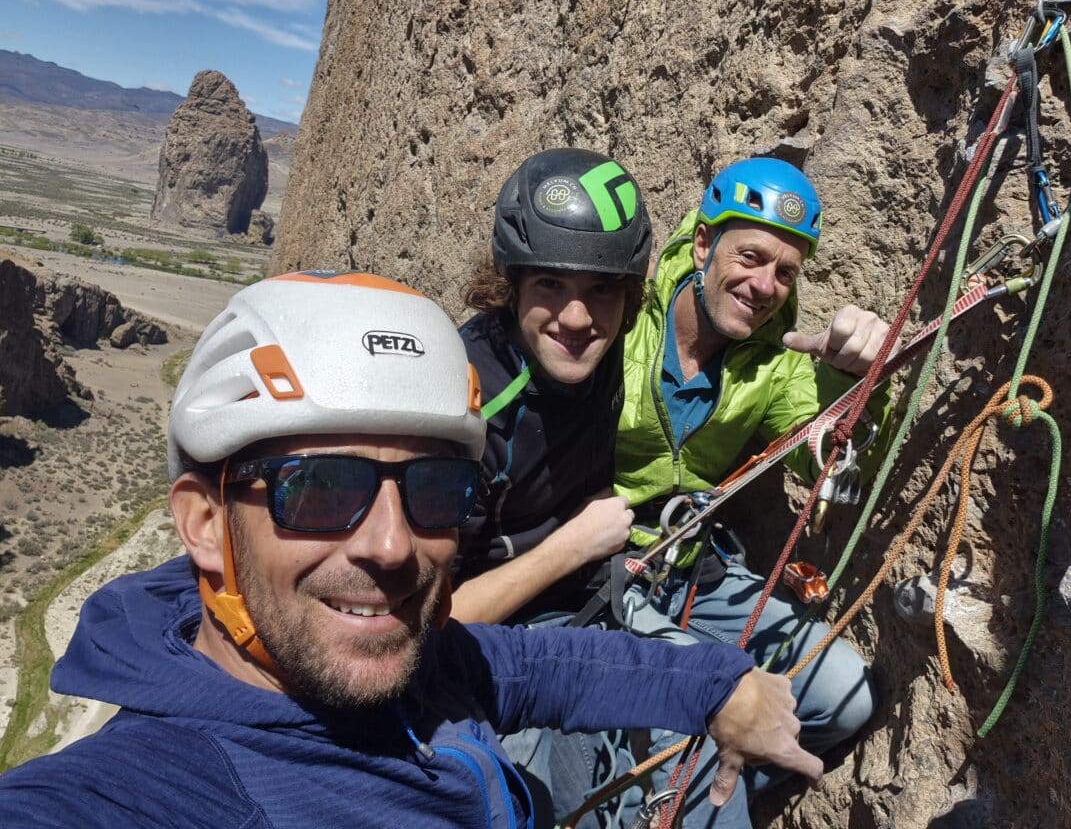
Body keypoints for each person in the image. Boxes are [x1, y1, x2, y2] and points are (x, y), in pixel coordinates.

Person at [0, 270, 821, 828]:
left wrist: (720, 686)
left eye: (433, 490)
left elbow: (533, 668)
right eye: (319, 490)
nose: (391, 545)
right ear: (207, 525)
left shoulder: (389, 661)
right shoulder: (160, 788)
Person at [609, 156, 897, 821]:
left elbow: (823, 454)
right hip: (601, 577)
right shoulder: (624, 318)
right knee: (707, 716)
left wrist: (852, 381)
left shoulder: (776, 354)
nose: (765, 285)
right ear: (705, 243)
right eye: (751, 256)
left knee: (845, 697)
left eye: (786, 271)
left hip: (690, 572)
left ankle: (696, 801)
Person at [452, 147, 655, 826]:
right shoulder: (467, 411)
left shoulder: (619, 348)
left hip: (579, 606)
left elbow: (720, 295)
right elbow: (429, 624)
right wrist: (572, 547)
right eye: (550, 286)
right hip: (481, 643)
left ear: (629, 297)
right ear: (510, 285)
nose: (576, 318)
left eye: (601, 289)